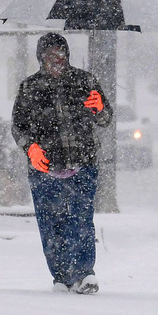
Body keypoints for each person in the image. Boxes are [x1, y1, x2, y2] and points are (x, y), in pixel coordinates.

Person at [12, 32, 112, 294]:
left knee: (80, 219)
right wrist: (31, 148)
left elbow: (105, 118)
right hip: (44, 169)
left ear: (66, 55)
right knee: (51, 224)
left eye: (60, 53)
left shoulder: (84, 81)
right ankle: (61, 276)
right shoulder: (29, 88)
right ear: (40, 58)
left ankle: (84, 274)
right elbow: (18, 127)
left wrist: (100, 107)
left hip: (83, 164)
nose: (55, 59)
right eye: (49, 55)